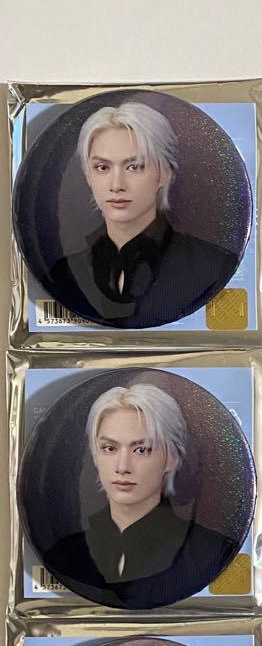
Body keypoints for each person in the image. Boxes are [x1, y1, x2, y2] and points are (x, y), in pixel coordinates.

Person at [41, 383, 239, 609]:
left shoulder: (211, 552)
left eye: (141, 449)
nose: (123, 467)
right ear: (95, 453)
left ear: (172, 457)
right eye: (110, 448)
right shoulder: (62, 554)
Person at [44, 102, 239, 328]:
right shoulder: (64, 274)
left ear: (165, 173)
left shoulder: (214, 266)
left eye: (134, 166)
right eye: (103, 167)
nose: (116, 185)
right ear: (88, 175)